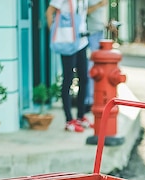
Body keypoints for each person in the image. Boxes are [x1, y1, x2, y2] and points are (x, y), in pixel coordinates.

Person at [46, 0, 93, 133]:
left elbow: (83, 13)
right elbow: (49, 12)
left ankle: (80, 116)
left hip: (81, 42)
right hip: (68, 42)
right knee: (68, 80)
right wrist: (55, 34)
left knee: (84, 79)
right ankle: (68, 120)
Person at [85, 0, 108, 112]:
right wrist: (99, 4)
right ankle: (88, 100)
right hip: (91, 33)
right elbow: (84, 12)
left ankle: (95, 98)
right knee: (90, 68)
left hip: (100, 32)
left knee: (100, 69)